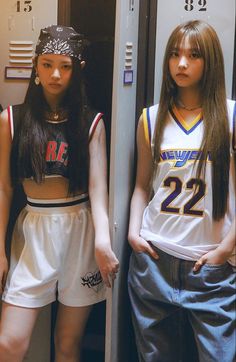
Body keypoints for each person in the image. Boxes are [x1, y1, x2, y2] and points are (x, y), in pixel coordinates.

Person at [0, 25, 119, 362]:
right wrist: (0, 250)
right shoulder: (12, 120)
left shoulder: (90, 122)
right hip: (33, 233)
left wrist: (102, 242)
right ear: (35, 66)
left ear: (77, 70)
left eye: (65, 66)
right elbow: (4, 187)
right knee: (9, 343)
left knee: (68, 345)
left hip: (79, 230)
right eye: (47, 64)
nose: (55, 74)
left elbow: (98, 188)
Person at [128, 20, 236, 362]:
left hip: (210, 267)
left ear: (211, 61)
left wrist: (226, 250)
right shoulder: (151, 118)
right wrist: (134, 233)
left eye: (193, 55)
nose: (182, 64)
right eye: (175, 55)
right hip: (154, 260)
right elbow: (142, 186)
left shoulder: (232, 117)